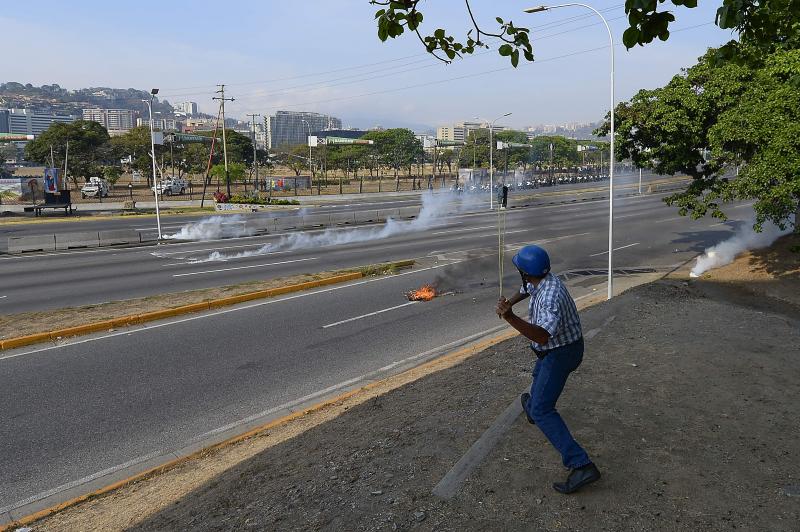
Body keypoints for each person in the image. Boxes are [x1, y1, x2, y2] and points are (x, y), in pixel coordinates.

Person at [495, 244, 601, 494]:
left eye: (519, 269)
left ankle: (581, 465)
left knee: (544, 409)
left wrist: (510, 317)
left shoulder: (551, 296)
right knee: (537, 379)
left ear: (525, 272)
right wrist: (509, 302)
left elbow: (542, 336)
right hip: (552, 351)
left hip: (562, 353)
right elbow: (525, 289)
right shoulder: (539, 279)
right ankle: (532, 408)